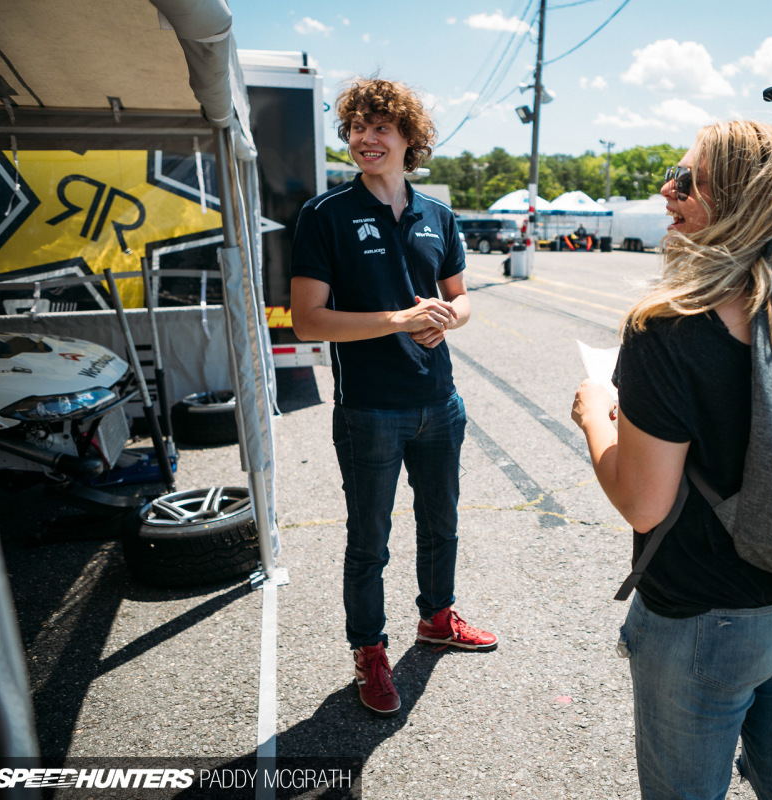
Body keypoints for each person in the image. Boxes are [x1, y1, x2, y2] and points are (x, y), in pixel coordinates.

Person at [572, 120, 772, 799]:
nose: (667, 189)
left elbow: (643, 501)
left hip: (707, 618)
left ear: (735, 199)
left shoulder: (666, 325)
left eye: (686, 179)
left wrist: (592, 418)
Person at [290, 78, 497, 718]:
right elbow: (306, 320)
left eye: (380, 127)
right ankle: (370, 650)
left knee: (441, 524)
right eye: (356, 126)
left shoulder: (438, 215)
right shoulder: (325, 215)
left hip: (441, 400)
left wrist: (449, 319)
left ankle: (436, 618)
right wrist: (396, 320)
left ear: (409, 138)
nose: (364, 138)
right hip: (369, 408)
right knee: (369, 540)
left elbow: (460, 296)